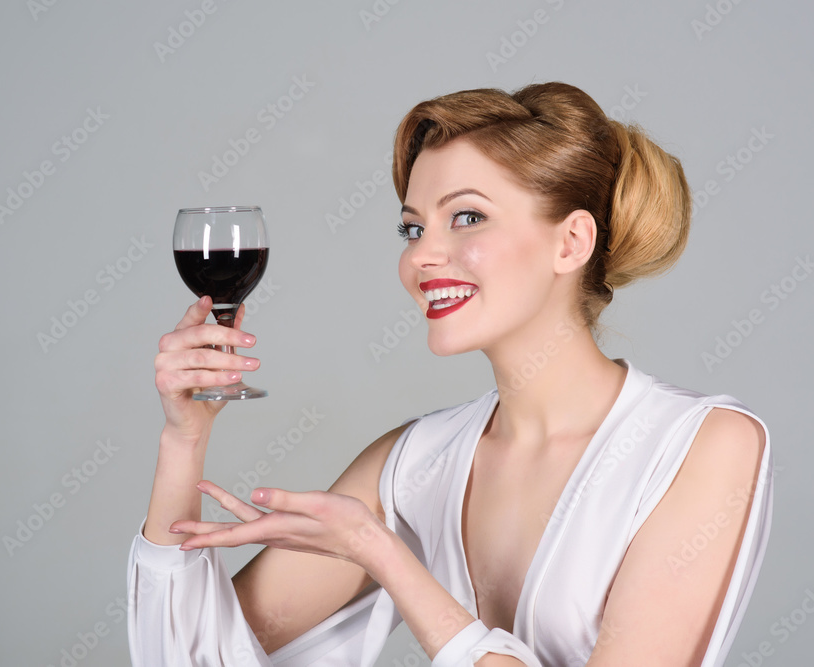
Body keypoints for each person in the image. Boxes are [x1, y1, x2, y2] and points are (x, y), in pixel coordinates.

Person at [128, 82, 773, 666]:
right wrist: (184, 439)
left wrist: (383, 554)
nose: (422, 257)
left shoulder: (702, 446)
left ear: (571, 243)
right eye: (412, 228)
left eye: (467, 216)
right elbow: (189, 660)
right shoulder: (414, 462)